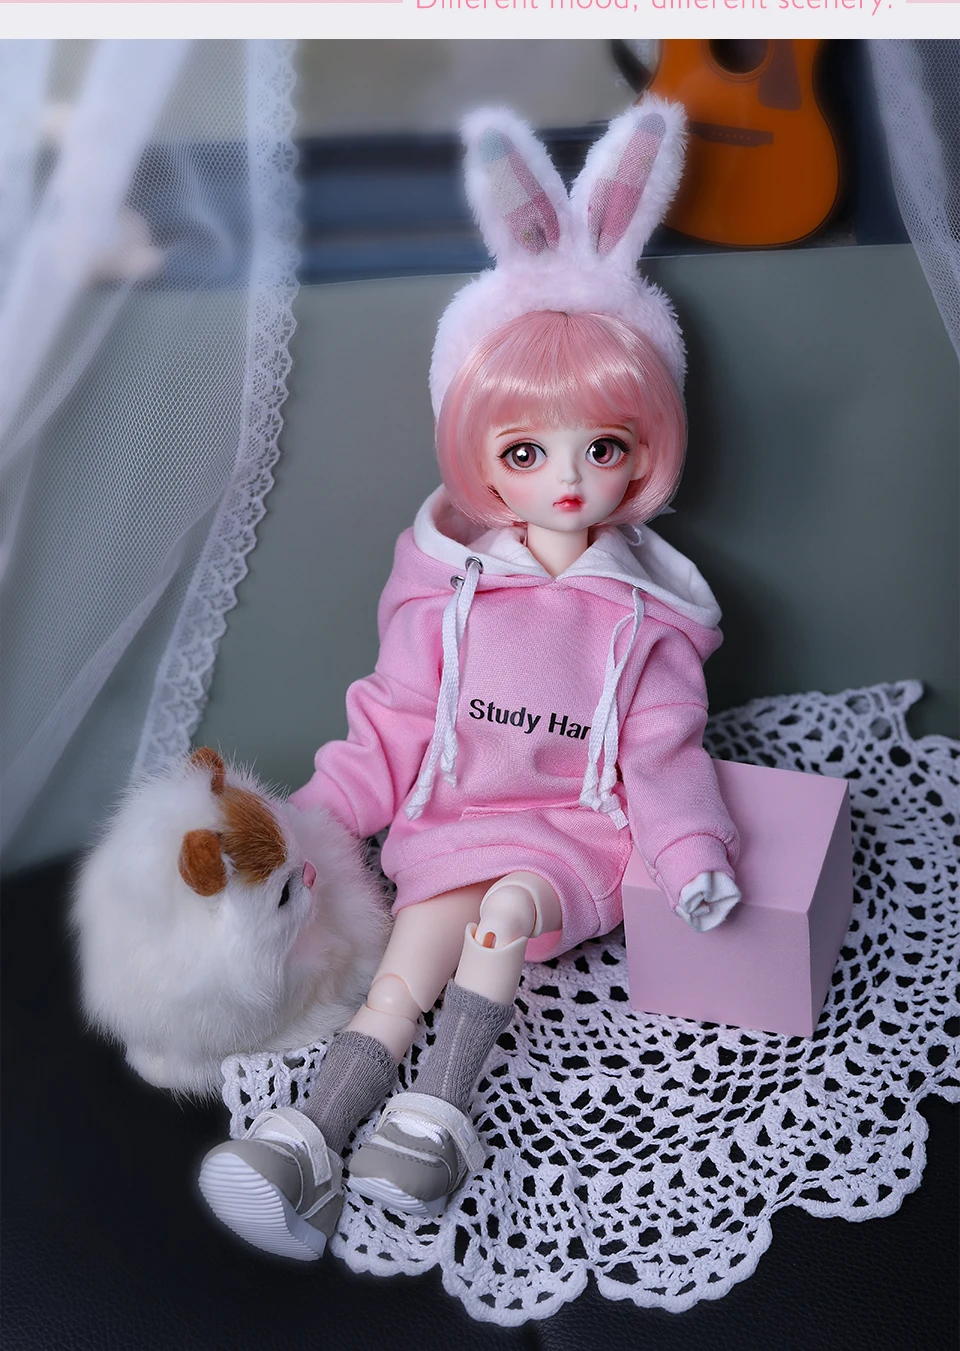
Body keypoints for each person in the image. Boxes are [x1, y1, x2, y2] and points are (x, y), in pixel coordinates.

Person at [199, 99, 741, 1261]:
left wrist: (693, 854)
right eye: (526, 452)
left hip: (569, 839)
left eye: (605, 447)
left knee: (497, 919)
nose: (569, 481)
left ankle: (437, 1119)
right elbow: (395, 718)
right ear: (481, 451)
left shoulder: (642, 616)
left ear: (644, 449)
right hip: (452, 824)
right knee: (409, 958)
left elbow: (663, 754)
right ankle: (309, 1140)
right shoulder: (444, 586)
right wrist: (313, 816)